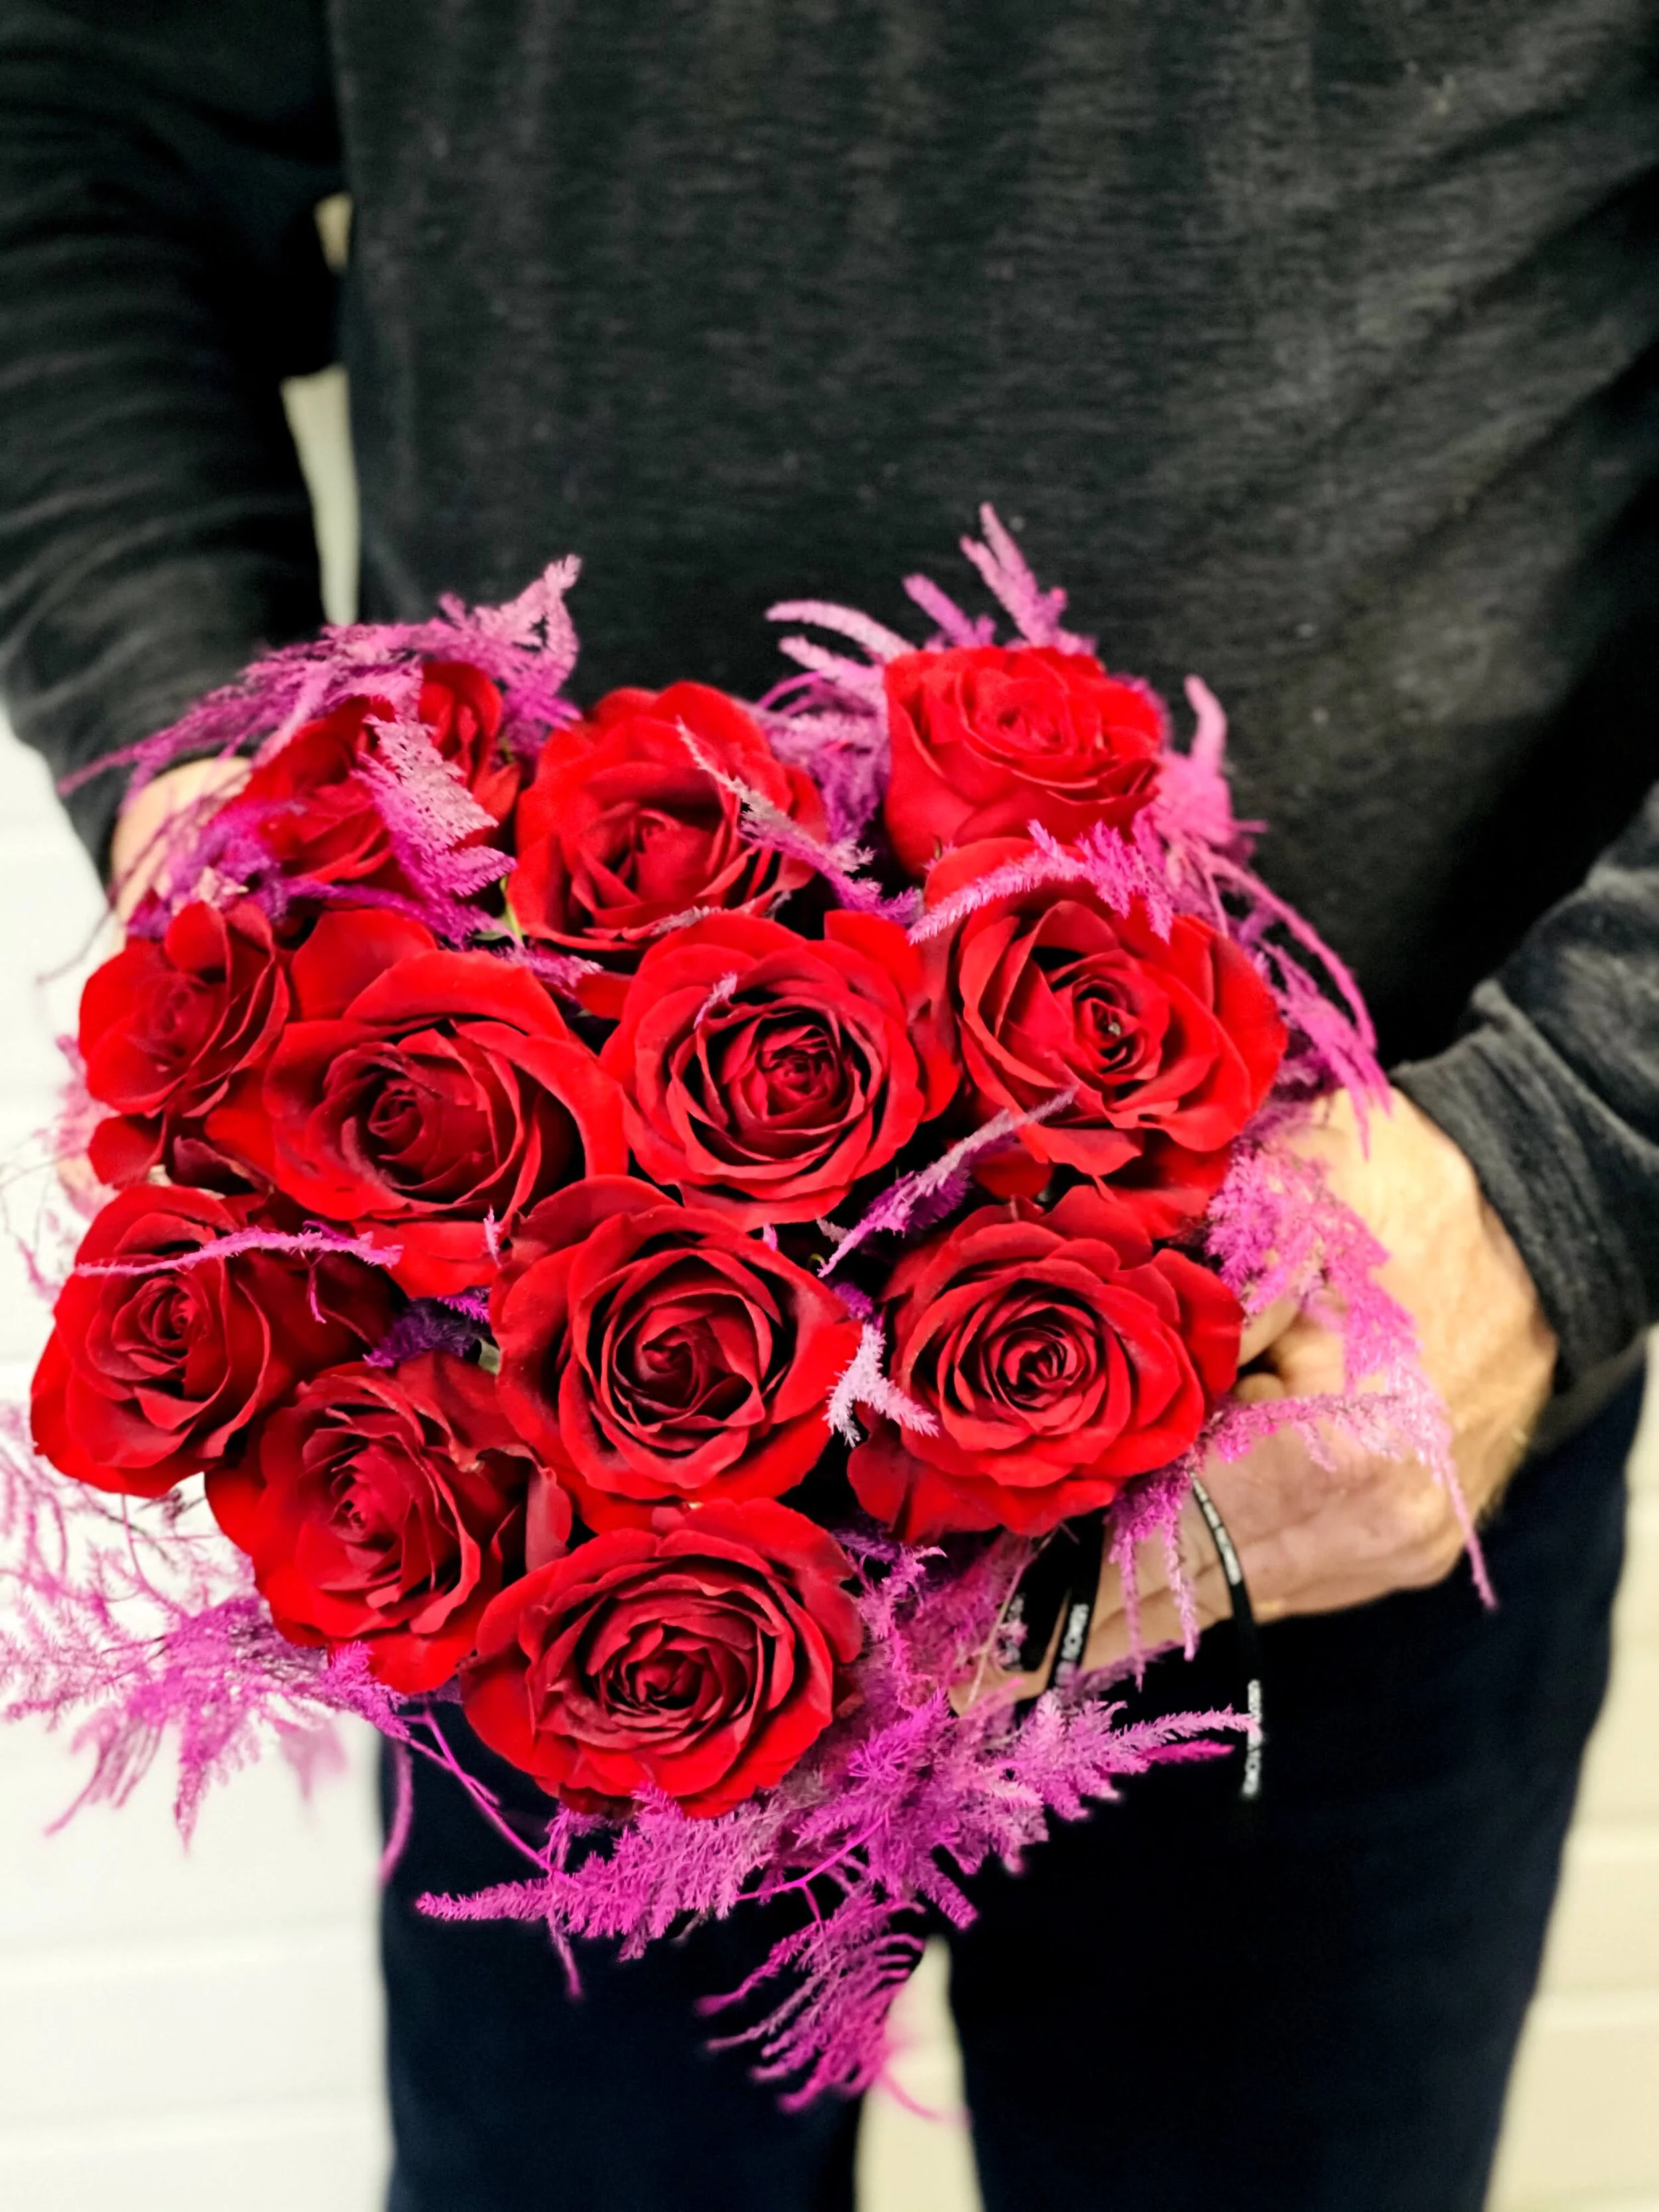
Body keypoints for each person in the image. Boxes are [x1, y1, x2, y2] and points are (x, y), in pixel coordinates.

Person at [1, 5, 1655, 2207]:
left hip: (1360, 1401)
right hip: (526, 1462)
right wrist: (231, 801)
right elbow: (69, 125)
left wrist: (1573, 1150)